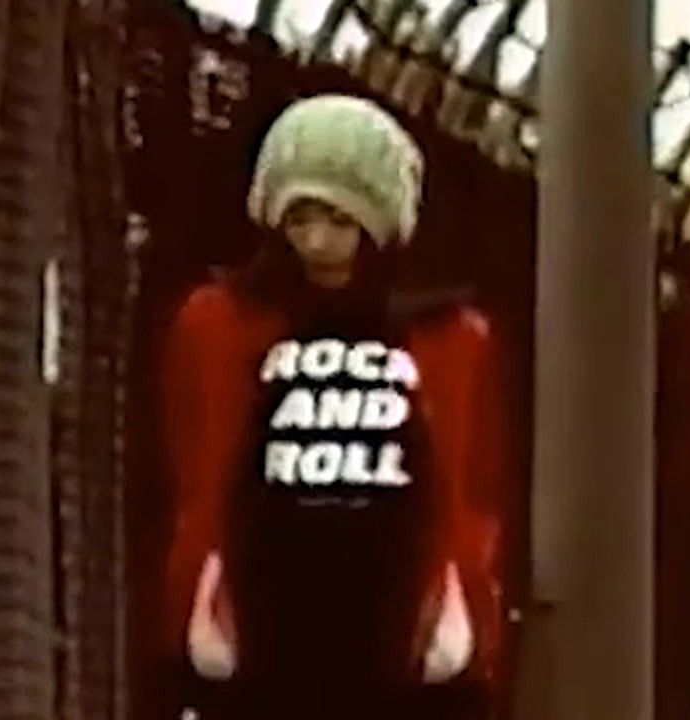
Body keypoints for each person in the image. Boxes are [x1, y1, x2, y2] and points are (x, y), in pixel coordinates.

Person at [157, 94, 509, 719]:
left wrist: (468, 607)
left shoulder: (449, 335)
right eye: (299, 219)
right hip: (254, 629)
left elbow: (474, 482)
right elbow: (192, 464)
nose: (317, 241)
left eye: (340, 220)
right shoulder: (216, 323)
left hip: (406, 636)